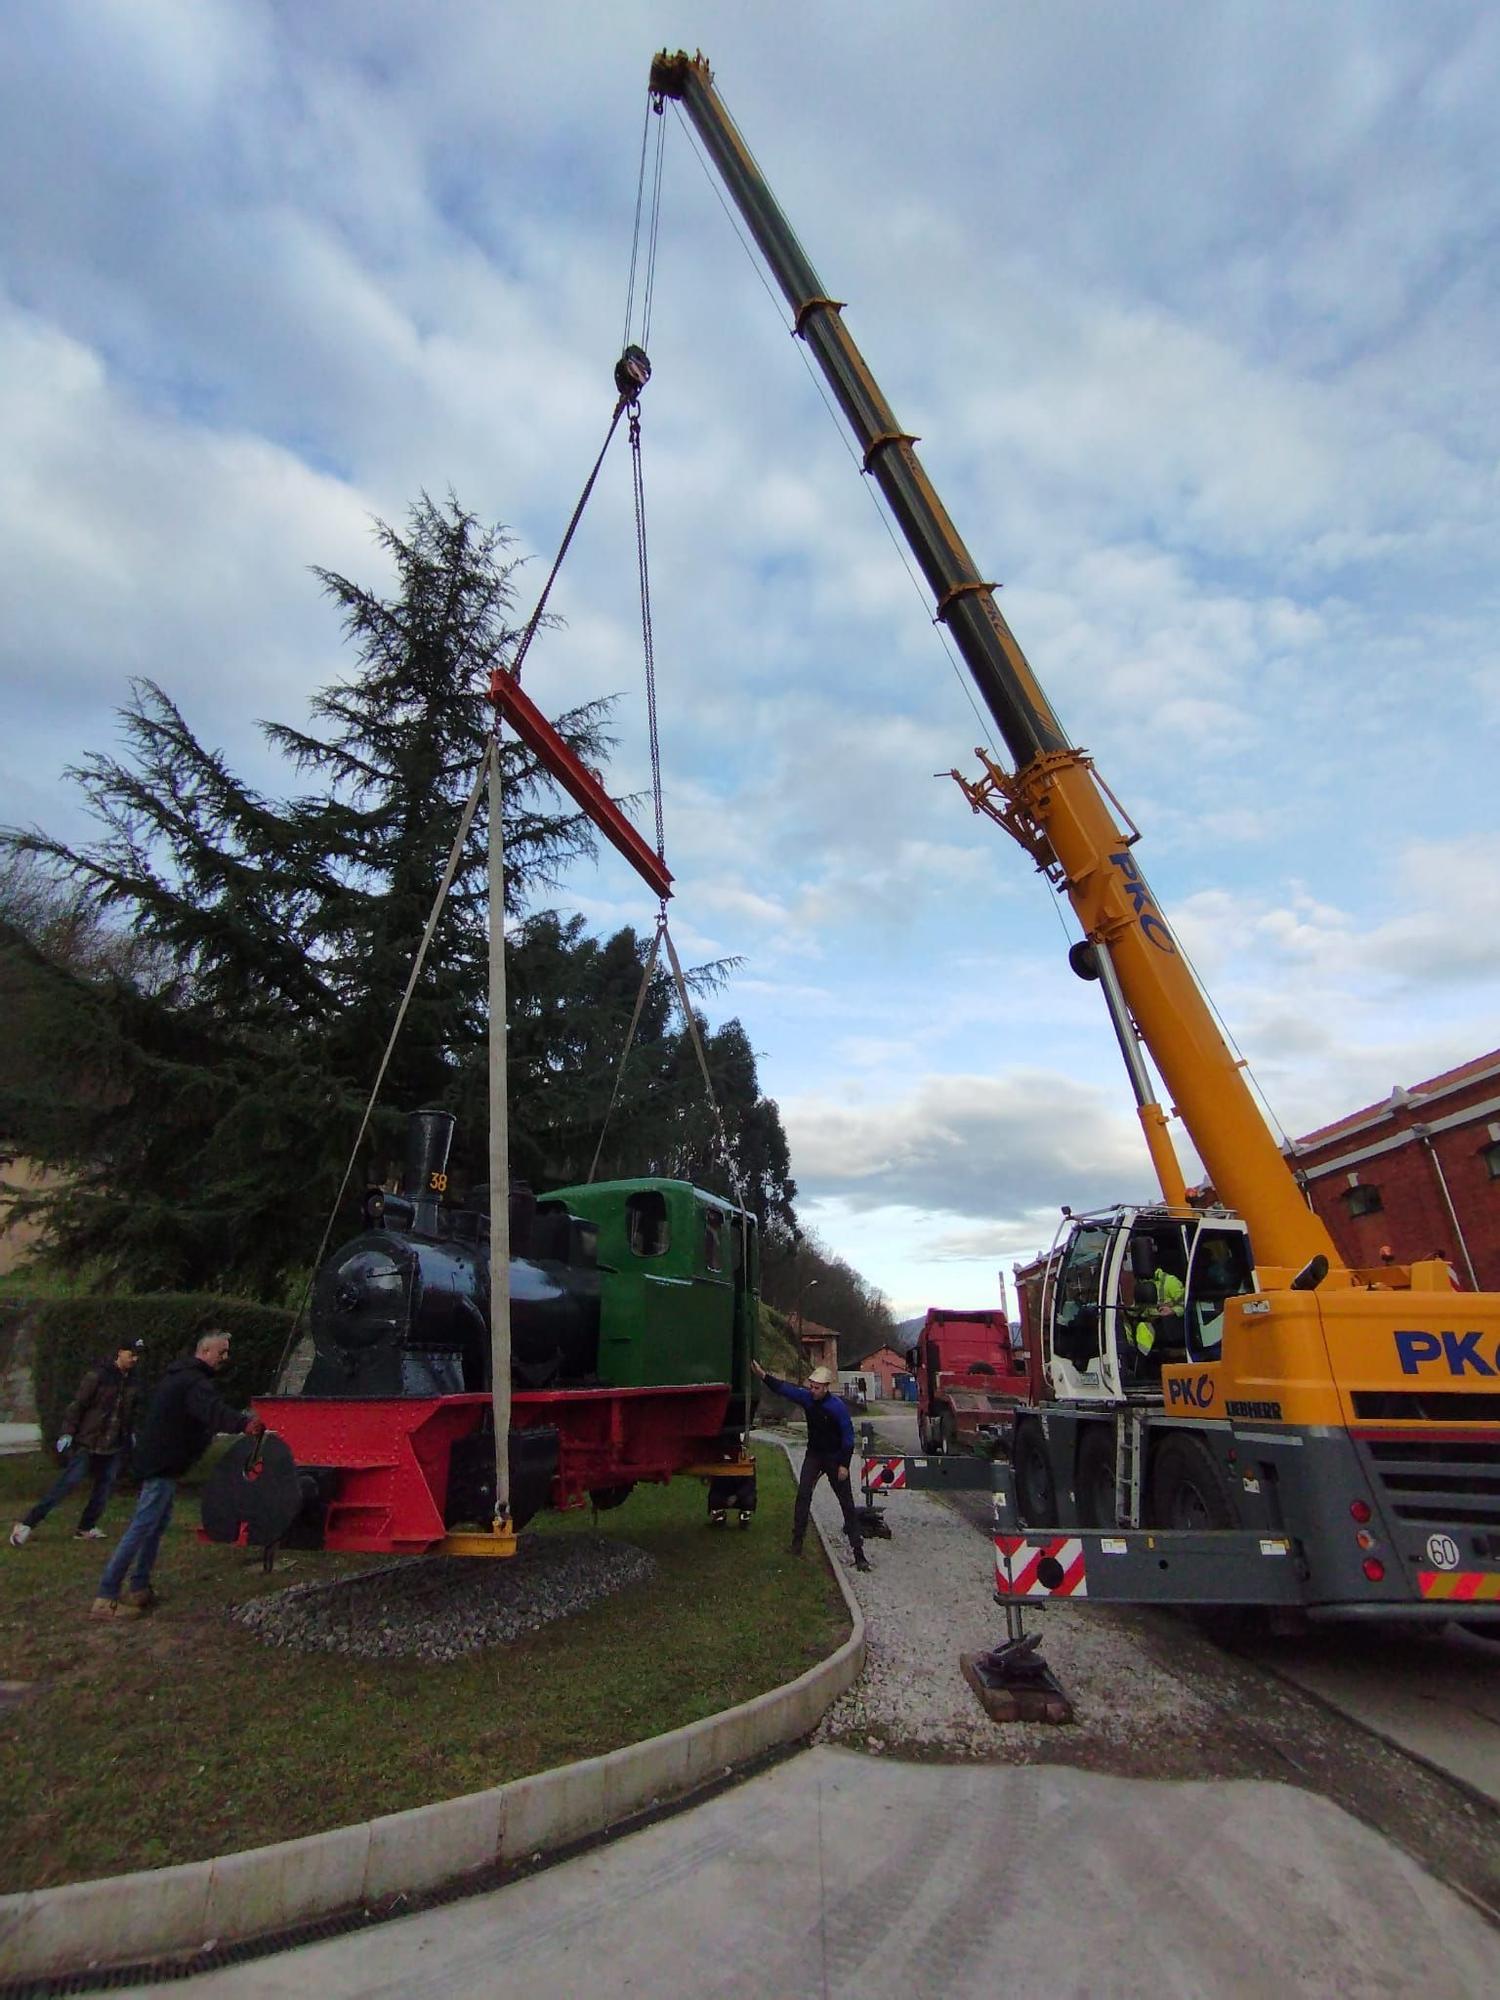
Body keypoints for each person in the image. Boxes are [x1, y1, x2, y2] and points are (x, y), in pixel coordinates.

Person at [89, 1329, 264, 1623]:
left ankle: (139, 1587)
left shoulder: (182, 1377)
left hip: (163, 1463)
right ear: (205, 1352)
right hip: (161, 1464)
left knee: (154, 1526)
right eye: (221, 1352)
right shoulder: (193, 1382)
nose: (225, 1358)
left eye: (226, 1352)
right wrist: (245, 1424)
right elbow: (213, 1411)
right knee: (142, 1527)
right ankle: (106, 1596)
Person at [9, 1342, 143, 1546]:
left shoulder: (133, 1381)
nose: (134, 1359)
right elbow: (78, 1405)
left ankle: (86, 1527)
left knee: (104, 1488)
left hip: (113, 1445)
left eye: (137, 1356)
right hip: (89, 1442)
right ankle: (26, 1524)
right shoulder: (98, 1376)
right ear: (119, 1352)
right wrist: (67, 1433)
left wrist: (130, 1434)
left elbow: (129, 1412)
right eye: (131, 1354)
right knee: (67, 1483)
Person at [750, 1359, 870, 1571]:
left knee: (846, 1503)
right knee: (803, 1495)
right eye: (811, 1387)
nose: (812, 1390)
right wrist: (763, 1376)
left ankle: (859, 1554)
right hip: (814, 1455)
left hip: (834, 1457)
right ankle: (796, 1545)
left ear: (825, 1388)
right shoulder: (807, 1399)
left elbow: (848, 1438)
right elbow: (785, 1390)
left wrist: (844, 1464)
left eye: (816, 1388)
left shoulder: (837, 1407)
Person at [1126, 1249, 1185, 1362]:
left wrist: (1172, 1311)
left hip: (1165, 1325)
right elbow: (1137, 1307)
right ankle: (1129, 1357)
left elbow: (1186, 1303)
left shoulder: (1170, 1281)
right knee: (1125, 1328)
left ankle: (1140, 1361)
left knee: (1144, 1329)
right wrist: (1126, 1310)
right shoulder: (1141, 1283)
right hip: (1146, 1321)